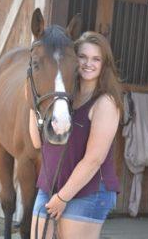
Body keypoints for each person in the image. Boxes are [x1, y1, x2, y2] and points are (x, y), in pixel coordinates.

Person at [30, 31, 123, 239]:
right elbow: (37, 142)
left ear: (104, 64)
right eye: (83, 57)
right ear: (73, 59)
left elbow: (93, 160)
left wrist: (62, 198)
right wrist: (33, 99)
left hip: (88, 191)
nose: (88, 63)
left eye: (96, 59)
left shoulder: (105, 103)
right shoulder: (63, 98)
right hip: (51, 184)